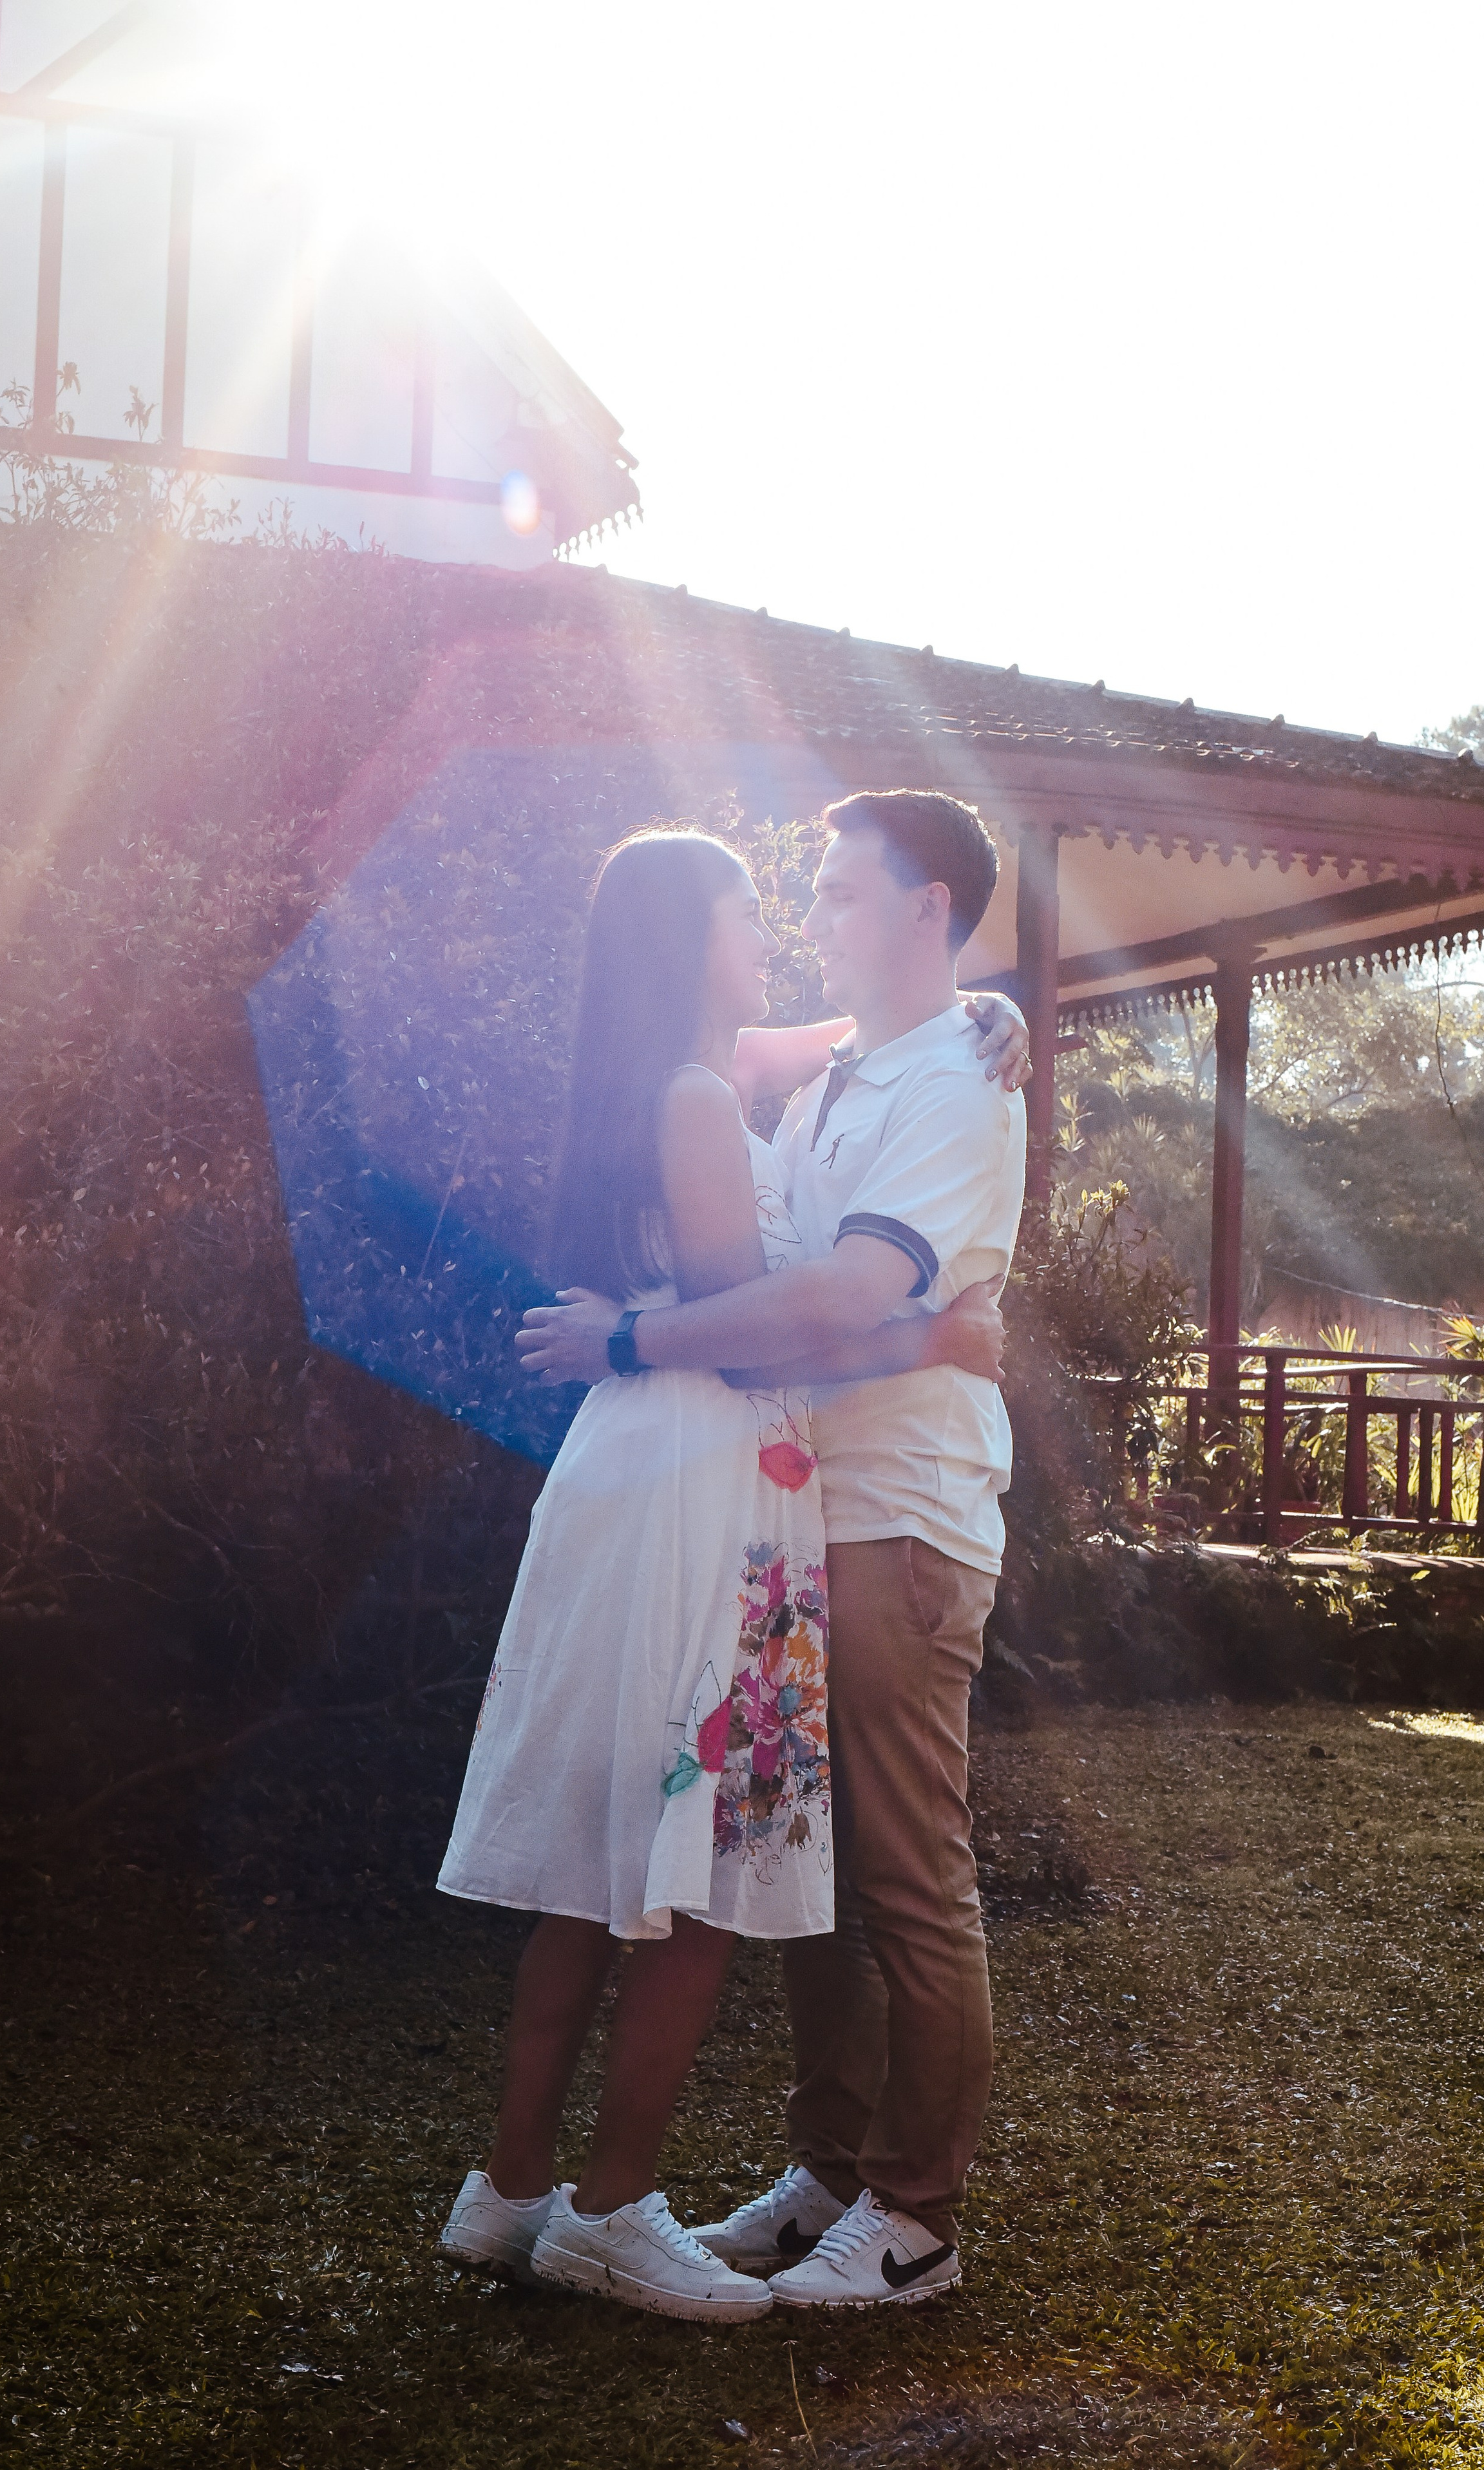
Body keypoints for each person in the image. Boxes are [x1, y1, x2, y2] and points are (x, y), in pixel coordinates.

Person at [437, 826, 1027, 2323]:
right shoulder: (775, 1087)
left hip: (871, 1503)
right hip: (734, 1490)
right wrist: (930, 1334)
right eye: (761, 906)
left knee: (831, 1866)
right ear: (691, 942)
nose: (793, 923)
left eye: (828, 895)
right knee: (723, 1854)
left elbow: (822, 1242)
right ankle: (760, 2184)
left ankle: (897, 2208)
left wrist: (994, 1004)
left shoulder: (927, 1074)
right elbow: (776, 1314)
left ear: (926, 907)